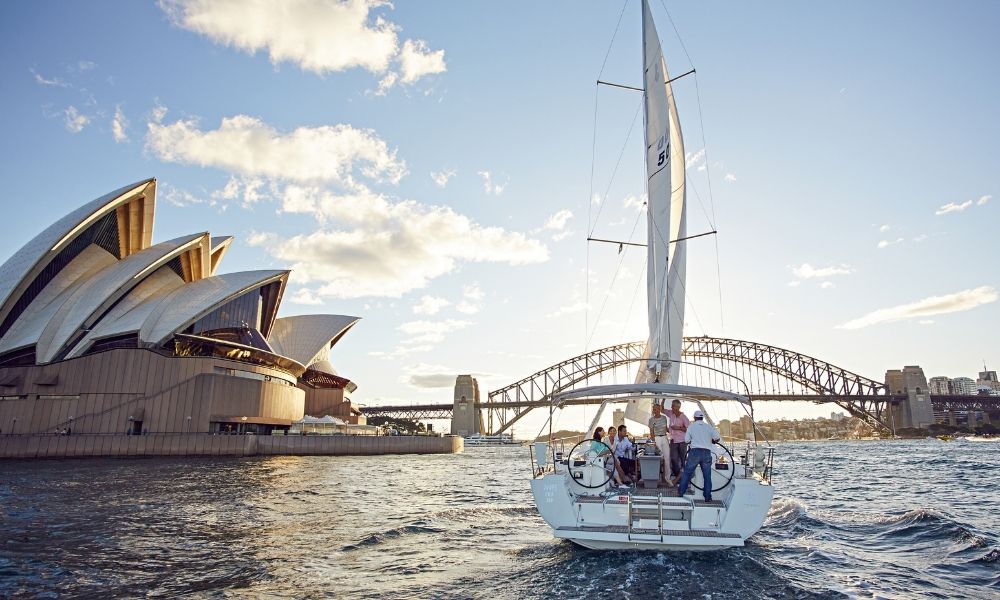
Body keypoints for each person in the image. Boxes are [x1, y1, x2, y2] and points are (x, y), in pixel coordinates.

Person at [677, 410, 722, 502]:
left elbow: (686, 440)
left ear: (694, 418)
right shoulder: (709, 427)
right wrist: (712, 441)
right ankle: (707, 497)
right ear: (702, 418)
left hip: (694, 452)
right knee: (707, 476)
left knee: (687, 473)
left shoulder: (691, 427)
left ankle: (681, 492)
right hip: (706, 453)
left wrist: (693, 440)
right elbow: (717, 438)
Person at [647, 402, 672, 486]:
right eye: (653, 409)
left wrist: (674, 432)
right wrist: (654, 443)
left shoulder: (664, 418)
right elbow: (651, 432)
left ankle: (667, 478)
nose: (655, 410)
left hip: (664, 438)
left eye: (656, 409)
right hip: (657, 438)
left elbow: (667, 429)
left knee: (667, 459)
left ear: (659, 409)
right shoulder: (651, 420)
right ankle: (656, 477)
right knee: (658, 459)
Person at [667, 399, 691, 484]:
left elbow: (689, 430)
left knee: (683, 459)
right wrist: (662, 398)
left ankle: (684, 479)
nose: (671, 407)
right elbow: (662, 409)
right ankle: (678, 477)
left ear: (677, 407)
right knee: (673, 459)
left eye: (673, 406)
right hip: (673, 440)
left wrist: (678, 428)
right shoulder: (671, 414)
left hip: (682, 441)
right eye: (672, 406)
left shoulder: (684, 417)